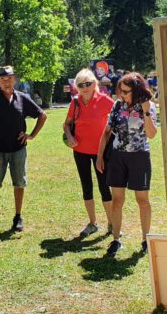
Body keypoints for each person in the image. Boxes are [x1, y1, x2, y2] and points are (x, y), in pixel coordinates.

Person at [0, 65, 47, 231]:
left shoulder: (22, 98)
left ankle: (17, 216)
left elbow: (42, 115)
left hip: (18, 149)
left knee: (19, 182)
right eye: (2, 79)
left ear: (14, 78)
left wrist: (31, 135)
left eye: (9, 78)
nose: (6, 82)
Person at [96, 72, 158, 255]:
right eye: (120, 90)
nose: (121, 94)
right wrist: (100, 156)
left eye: (125, 91)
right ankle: (116, 239)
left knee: (142, 200)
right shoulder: (117, 106)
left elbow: (152, 134)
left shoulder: (148, 106)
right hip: (118, 157)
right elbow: (107, 132)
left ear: (136, 90)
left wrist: (146, 110)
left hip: (139, 157)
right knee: (117, 200)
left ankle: (145, 240)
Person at [63, 68, 115, 237]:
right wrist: (69, 136)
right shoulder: (75, 102)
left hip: (101, 151)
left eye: (88, 83)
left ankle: (112, 224)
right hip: (80, 151)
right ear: (76, 87)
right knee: (87, 187)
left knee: (104, 187)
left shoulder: (104, 100)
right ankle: (92, 223)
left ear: (95, 83)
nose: (85, 87)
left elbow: (118, 117)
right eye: (81, 84)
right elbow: (67, 124)